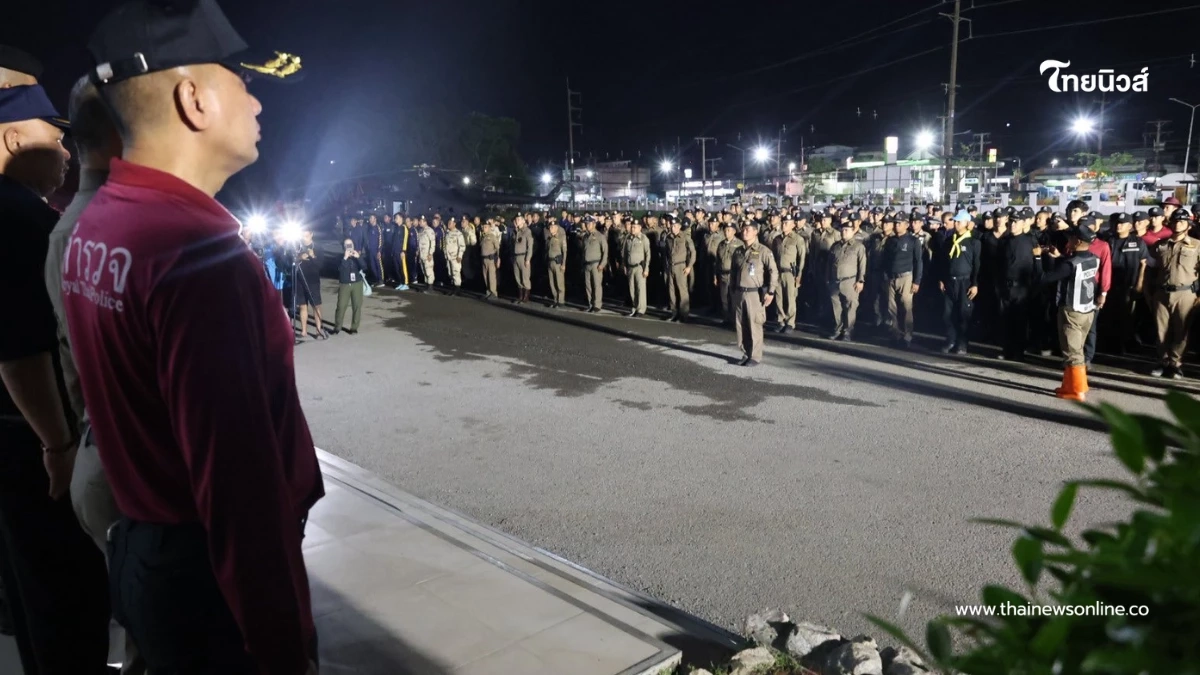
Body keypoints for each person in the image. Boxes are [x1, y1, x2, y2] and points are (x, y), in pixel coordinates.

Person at [67, 2, 322, 672]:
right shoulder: (194, 252)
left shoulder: (103, 221)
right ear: (194, 99)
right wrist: (283, 647)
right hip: (209, 582)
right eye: (243, 79)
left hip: (149, 550)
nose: (257, 100)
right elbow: (239, 496)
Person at [0, 82, 113, 675]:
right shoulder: (18, 216)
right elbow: (18, 351)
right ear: (14, 138)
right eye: (55, 137)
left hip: (15, 439)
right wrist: (59, 445)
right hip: (33, 441)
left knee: (29, 595)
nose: (67, 152)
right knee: (66, 602)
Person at [1038, 227, 1100, 400]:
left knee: (1072, 352)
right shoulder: (1094, 259)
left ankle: (1078, 390)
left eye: (1071, 238)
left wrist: (1038, 258)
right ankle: (1068, 385)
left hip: (1072, 311)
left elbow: (1046, 278)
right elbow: (1073, 263)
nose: (1068, 241)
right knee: (1077, 348)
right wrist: (1061, 257)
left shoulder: (1069, 263)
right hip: (1087, 310)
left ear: (1078, 241)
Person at [1149, 211, 1199, 378]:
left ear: (1188, 225)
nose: (1178, 223)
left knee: (1181, 331)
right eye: (1176, 220)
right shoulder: (1160, 245)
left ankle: (1175, 363)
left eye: (1182, 221)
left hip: (1185, 293)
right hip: (1162, 292)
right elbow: (1152, 269)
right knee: (1160, 330)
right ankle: (1162, 362)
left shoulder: (1197, 245)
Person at [729, 222, 779, 366]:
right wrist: (732, 289)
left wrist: (770, 291)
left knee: (754, 325)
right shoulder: (738, 251)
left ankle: (755, 356)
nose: (744, 232)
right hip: (740, 292)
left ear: (755, 232)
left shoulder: (763, 251)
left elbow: (773, 271)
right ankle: (745, 353)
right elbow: (733, 271)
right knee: (741, 325)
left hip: (754, 294)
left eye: (748, 229)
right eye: (743, 229)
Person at [996, 209, 1039, 360]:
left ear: (1023, 223)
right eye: (1011, 221)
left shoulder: (1030, 240)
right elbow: (999, 264)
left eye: (1016, 222)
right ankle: (1006, 349)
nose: (1012, 224)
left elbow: (1035, 265)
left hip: (1022, 286)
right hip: (1005, 286)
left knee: (1020, 320)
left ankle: (1019, 351)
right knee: (1005, 319)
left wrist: (1032, 286)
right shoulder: (1005, 241)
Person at [937, 210, 982, 355]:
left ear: (966, 223)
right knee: (947, 313)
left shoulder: (973, 242)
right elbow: (943, 262)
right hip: (950, 281)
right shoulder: (949, 241)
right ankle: (950, 339)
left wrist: (975, 283)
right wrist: (942, 279)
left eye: (958, 221)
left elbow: (977, 265)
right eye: (954, 221)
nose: (955, 224)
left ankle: (962, 343)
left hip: (965, 282)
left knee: (963, 314)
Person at [881, 215, 923, 348]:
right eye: (895, 223)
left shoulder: (913, 240)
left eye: (899, 223)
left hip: (906, 277)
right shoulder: (890, 240)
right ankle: (895, 334)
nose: (896, 226)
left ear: (906, 225)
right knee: (891, 308)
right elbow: (886, 259)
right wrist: (885, 275)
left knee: (906, 307)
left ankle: (907, 336)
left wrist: (917, 281)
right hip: (891, 277)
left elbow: (918, 262)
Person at [1107, 213, 1147, 354]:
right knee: (1110, 316)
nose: (1119, 225)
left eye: (1123, 223)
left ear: (1130, 226)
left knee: (1127, 318)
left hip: (1128, 286)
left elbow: (1144, 263)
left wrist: (1139, 284)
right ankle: (1110, 346)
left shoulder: (1138, 242)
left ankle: (1125, 346)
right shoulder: (1108, 240)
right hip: (1110, 286)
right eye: (1118, 222)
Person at [826, 223, 867, 342]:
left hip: (850, 281)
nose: (844, 232)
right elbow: (829, 264)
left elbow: (862, 265)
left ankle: (848, 331)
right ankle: (837, 329)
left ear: (853, 231)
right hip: (834, 281)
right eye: (842, 230)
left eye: (847, 230)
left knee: (850, 307)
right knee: (836, 308)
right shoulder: (835, 246)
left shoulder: (858, 246)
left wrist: (860, 280)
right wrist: (827, 279)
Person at [1079, 215, 1111, 365]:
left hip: (1093, 288)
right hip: (1076, 287)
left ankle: (1087, 356)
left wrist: (1103, 292)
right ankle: (1076, 355)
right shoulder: (1074, 243)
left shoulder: (1102, 245)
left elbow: (1106, 270)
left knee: (1090, 325)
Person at [772, 215, 807, 334]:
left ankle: (790, 323)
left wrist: (799, 275)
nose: (784, 225)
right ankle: (781, 321)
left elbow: (801, 258)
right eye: (783, 222)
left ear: (793, 225)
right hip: (778, 271)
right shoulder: (777, 239)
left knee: (791, 298)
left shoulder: (798, 239)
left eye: (787, 223)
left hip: (790, 272)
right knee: (779, 298)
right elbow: (773, 256)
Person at [294, 228, 328, 340]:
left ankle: (318, 330)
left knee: (316, 306)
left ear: (311, 235)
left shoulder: (317, 247)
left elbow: (320, 265)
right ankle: (304, 331)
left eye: (306, 236)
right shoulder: (297, 246)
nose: (304, 238)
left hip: (313, 281)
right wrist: (299, 257)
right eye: (303, 236)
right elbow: (292, 260)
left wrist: (313, 256)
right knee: (302, 306)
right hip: (300, 280)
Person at [663, 215, 695, 322]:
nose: (673, 228)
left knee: (682, 291)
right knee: (671, 291)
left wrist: (689, 266)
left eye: (675, 226)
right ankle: (674, 312)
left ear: (679, 226)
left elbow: (693, 252)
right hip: (670, 266)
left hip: (681, 266)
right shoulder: (668, 237)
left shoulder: (685, 237)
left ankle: (684, 314)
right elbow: (667, 253)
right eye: (672, 226)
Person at [714, 223, 744, 324]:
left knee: (734, 298)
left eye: (729, 230)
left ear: (734, 231)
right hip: (722, 274)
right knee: (724, 298)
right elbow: (717, 260)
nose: (726, 232)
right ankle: (727, 318)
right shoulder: (721, 244)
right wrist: (715, 275)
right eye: (725, 230)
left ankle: (735, 319)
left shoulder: (739, 244)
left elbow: (741, 262)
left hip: (733, 275)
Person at [334, 239, 366, 334]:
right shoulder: (340, 257)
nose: (349, 246)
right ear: (344, 246)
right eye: (346, 245)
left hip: (357, 283)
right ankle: (337, 327)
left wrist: (358, 257)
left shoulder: (357, 255)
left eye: (350, 244)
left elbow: (365, 267)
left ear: (353, 245)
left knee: (357, 306)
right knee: (341, 306)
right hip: (344, 284)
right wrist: (345, 258)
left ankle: (354, 327)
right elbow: (339, 269)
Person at [623, 219, 651, 317]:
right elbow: (625, 253)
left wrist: (646, 268)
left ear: (640, 228)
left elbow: (648, 254)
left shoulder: (644, 238)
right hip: (630, 267)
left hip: (639, 267)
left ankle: (641, 309)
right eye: (632, 227)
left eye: (635, 227)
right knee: (632, 289)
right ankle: (634, 308)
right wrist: (625, 265)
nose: (632, 228)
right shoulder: (628, 238)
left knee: (640, 288)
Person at [581, 217, 608, 313]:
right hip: (587, 264)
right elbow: (583, 251)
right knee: (588, 285)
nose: (587, 225)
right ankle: (590, 304)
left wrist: (602, 264)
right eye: (586, 223)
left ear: (594, 224)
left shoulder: (600, 236)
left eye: (589, 223)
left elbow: (605, 251)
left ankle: (597, 305)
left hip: (596, 264)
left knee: (596, 285)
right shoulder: (585, 236)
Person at [511, 215, 534, 303]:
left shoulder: (527, 231)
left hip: (523, 256)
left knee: (525, 277)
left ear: (523, 221)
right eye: (516, 219)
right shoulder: (516, 231)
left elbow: (530, 246)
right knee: (517, 277)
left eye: (519, 219)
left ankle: (526, 296)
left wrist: (528, 258)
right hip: (516, 256)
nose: (517, 221)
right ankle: (520, 295)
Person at [545, 220, 567, 308]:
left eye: (553, 227)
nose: (551, 229)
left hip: (558, 262)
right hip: (550, 262)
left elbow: (564, 251)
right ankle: (555, 299)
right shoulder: (549, 238)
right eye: (550, 227)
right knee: (552, 282)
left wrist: (564, 264)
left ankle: (561, 300)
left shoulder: (561, 237)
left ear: (557, 228)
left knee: (559, 282)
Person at [442, 218, 465, 295]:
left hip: (455, 257)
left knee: (456, 273)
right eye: (448, 222)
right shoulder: (447, 233)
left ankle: (457, 289)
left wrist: (459, 256)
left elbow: (462, 246)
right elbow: (445, 245)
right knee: (450, 273)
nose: (449, 224)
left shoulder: (458, 233)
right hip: (448, 257)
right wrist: (445, 254)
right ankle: (453, 288)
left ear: (454, 224)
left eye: (450, 223)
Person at [480, 219, 501, 299]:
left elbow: (498, 248)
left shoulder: (492, 236)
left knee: (491, 277)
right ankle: (488, 291)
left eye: (485, 227)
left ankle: (493, 293)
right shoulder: (483, 237)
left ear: (489, 228)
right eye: (483, 227)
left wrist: (498, 258)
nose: (484, 228)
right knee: (485, 276)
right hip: (484, 259)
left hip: (491, 259)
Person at [390, 213, 410, 290]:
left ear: (401, 218)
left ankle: (405, 283)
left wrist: (403, 251)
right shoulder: (396, 228)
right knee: (397, 268)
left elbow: (405, 240)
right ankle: (401, 282)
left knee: (402, 267)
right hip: (395, 251)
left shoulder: (404, 228)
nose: (395, 219)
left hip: (401, 252)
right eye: (395, 218)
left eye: (397, 218)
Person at [416, 217, 437, 288]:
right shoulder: (421, 231)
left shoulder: (429, 230)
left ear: (425, 222)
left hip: (427, 254)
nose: (419, 223)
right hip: (422, 254)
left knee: (429, 270)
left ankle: (430, 286)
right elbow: (419, 243)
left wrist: (430, 253)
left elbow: (433, 242)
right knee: (424, 270)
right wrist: (418, 251)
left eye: (421, 221)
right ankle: (426, 284)